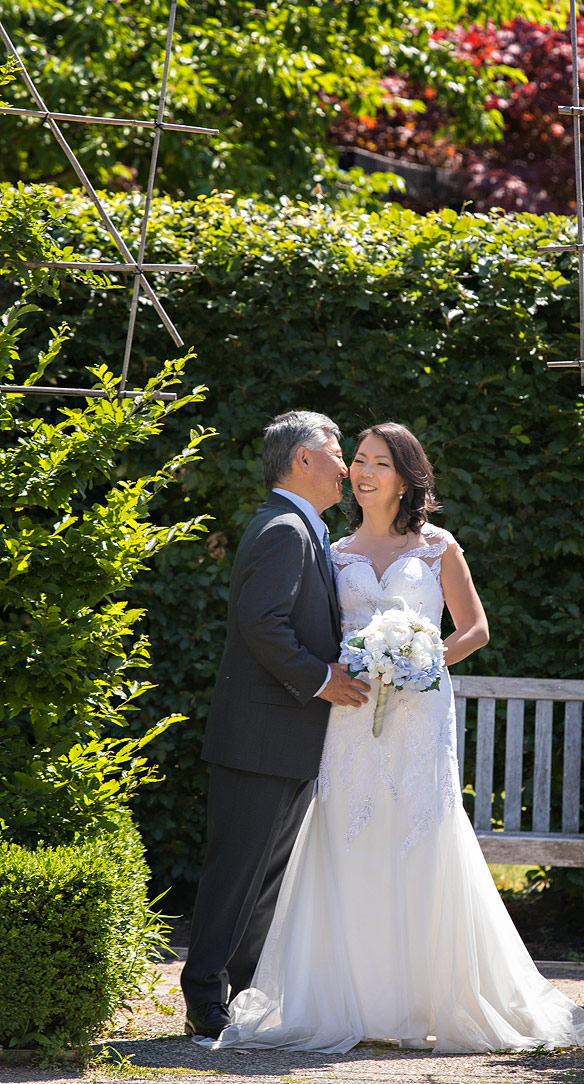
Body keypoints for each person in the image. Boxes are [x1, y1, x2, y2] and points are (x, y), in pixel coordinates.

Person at [204, 422, 584, 1054]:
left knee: (422, 834)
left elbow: (475, 628)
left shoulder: (437, 546)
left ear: (405, 475)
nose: (361, 472)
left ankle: (429, 997)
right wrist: (346, 669)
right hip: (353, 711)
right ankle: (353, 999)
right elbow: (312, 632)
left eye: (377, 463)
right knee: (348, 835)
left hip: (420, 710)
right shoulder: (330, 550)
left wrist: (426, 657)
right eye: (356, 460)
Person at [180, 410, 371, 1039]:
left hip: (285, 739)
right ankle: (205, 995)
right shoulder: (285, 529)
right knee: (239, 870)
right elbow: (263, 623)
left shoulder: (301, 527)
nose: (347, 467)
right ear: (304, 459)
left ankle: (238, 993)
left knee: (265, 878)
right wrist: (323, 679)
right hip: (261, 738)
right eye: (339, 452)